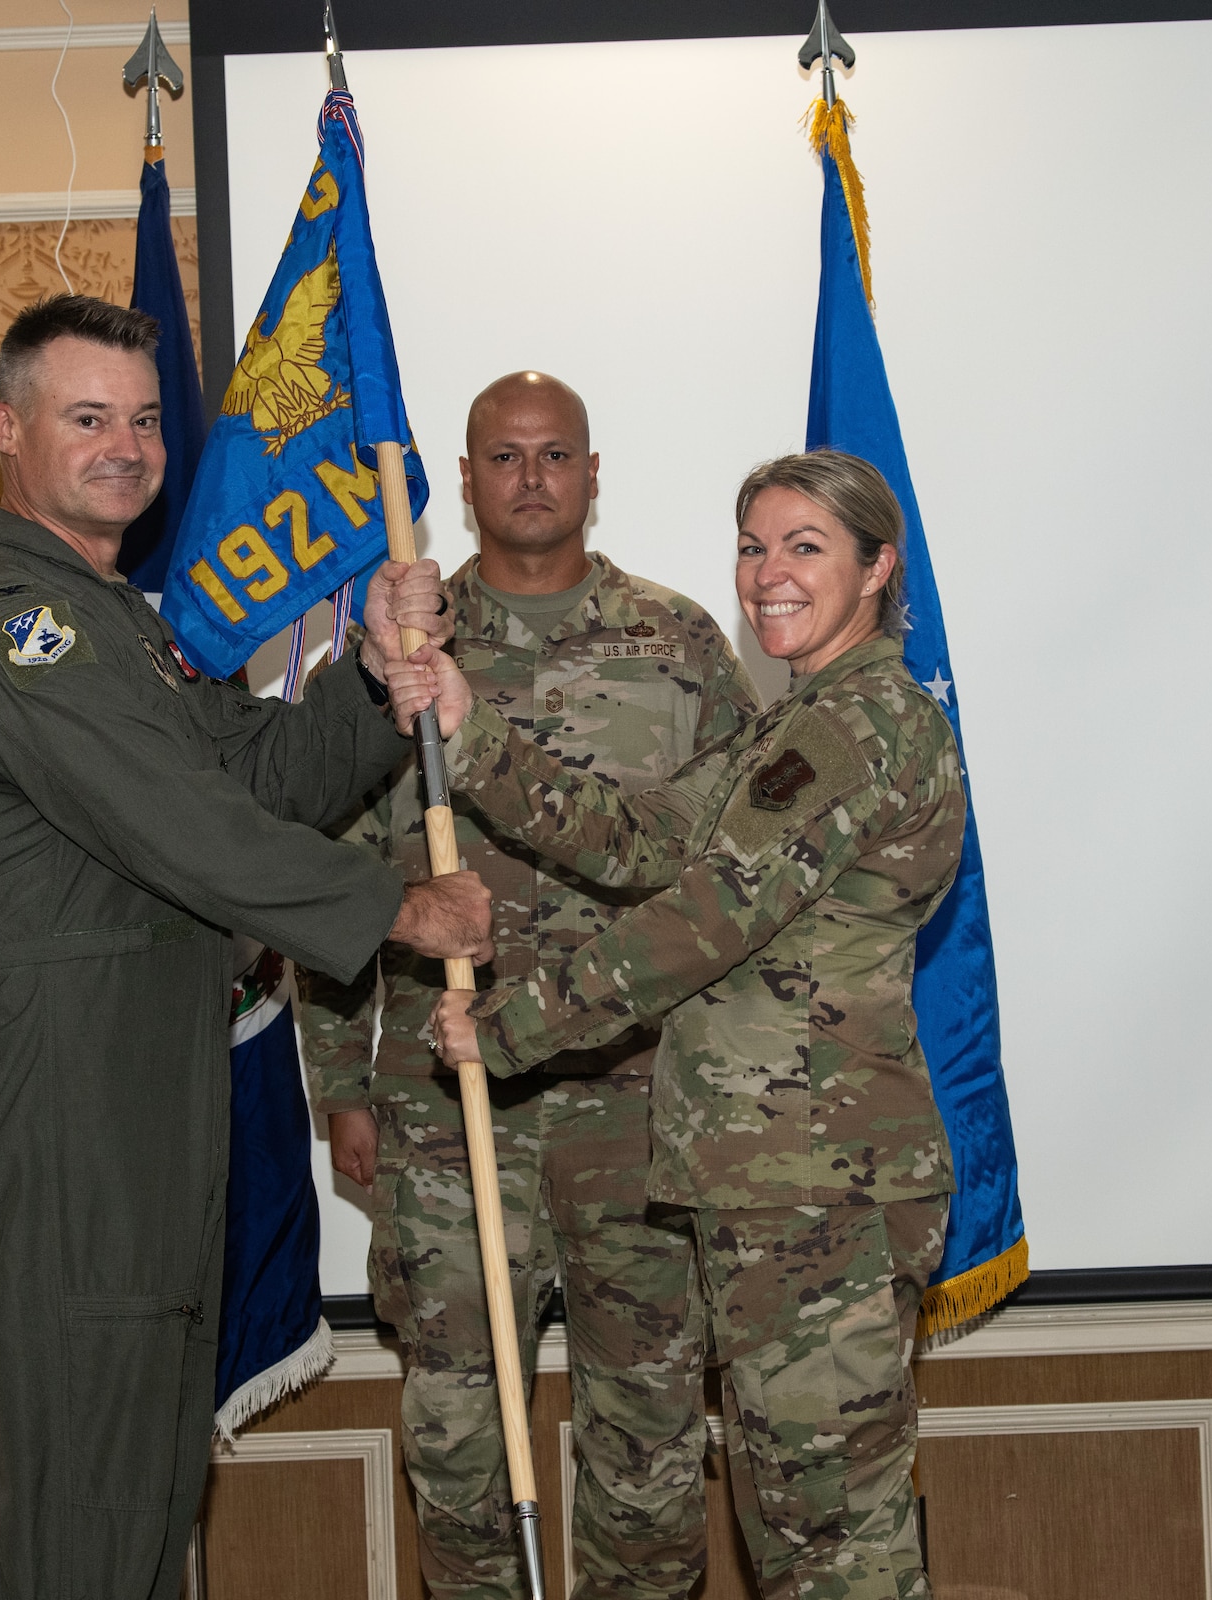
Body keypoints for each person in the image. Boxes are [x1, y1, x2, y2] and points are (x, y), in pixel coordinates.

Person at [0, 294, 493, 1600]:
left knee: (131, 1533)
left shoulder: (112, 626)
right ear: (7, 430)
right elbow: (182, 826)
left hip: (137, 1120)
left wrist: (378, 676)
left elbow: (249, 777)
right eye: (87, 417)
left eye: (146, 419)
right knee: (86, 1545)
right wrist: (398, 908)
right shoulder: (16, 632)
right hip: (69, 1130)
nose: (128, 446)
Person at [398, 450, 965, 1600]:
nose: (766, 575)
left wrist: (504, 1030)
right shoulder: (797, 721)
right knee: (795, 1535)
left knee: (835, 1550)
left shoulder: (860, 727)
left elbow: (703, 918)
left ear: (876, 568)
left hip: (822, 1191)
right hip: (763, 1187)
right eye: (752, 545)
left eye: (804, 547)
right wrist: (470, 731)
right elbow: (641, 834)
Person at [300, 371, 758, 1599]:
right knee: (455, 1432)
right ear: (462, 480)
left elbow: (727, 879)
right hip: (448, 1109)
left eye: (555, 455)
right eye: (503, 458)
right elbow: (330, 879)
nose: (531, 478)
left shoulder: (676, 642)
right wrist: (341, 1083)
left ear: (593, 472)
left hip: (637, 1105)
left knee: (649, 1432)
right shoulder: (397, 657)